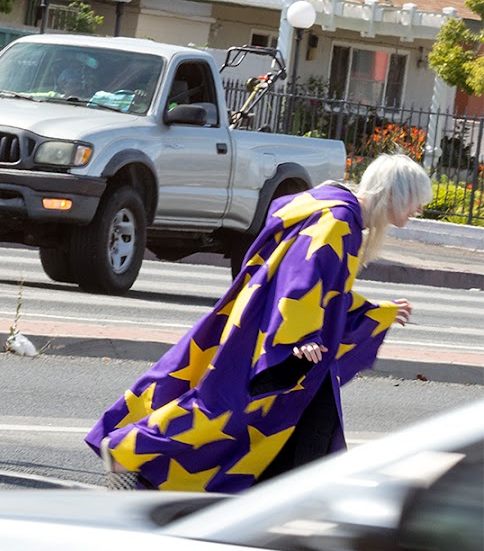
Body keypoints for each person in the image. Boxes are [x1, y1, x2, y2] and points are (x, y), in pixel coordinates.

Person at [86, 152, 434, 491]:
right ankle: (127, 448)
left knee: (288, 422)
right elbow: (303, 274)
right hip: (281, 340)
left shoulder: (338, 215)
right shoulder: (340, 220)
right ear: (395, 194)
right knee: (226, 411)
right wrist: (300, 337)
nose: (418, 210)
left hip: (275, 331)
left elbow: (325, 289)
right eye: (415, 201)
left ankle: (268, 510)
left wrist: (376, 312)